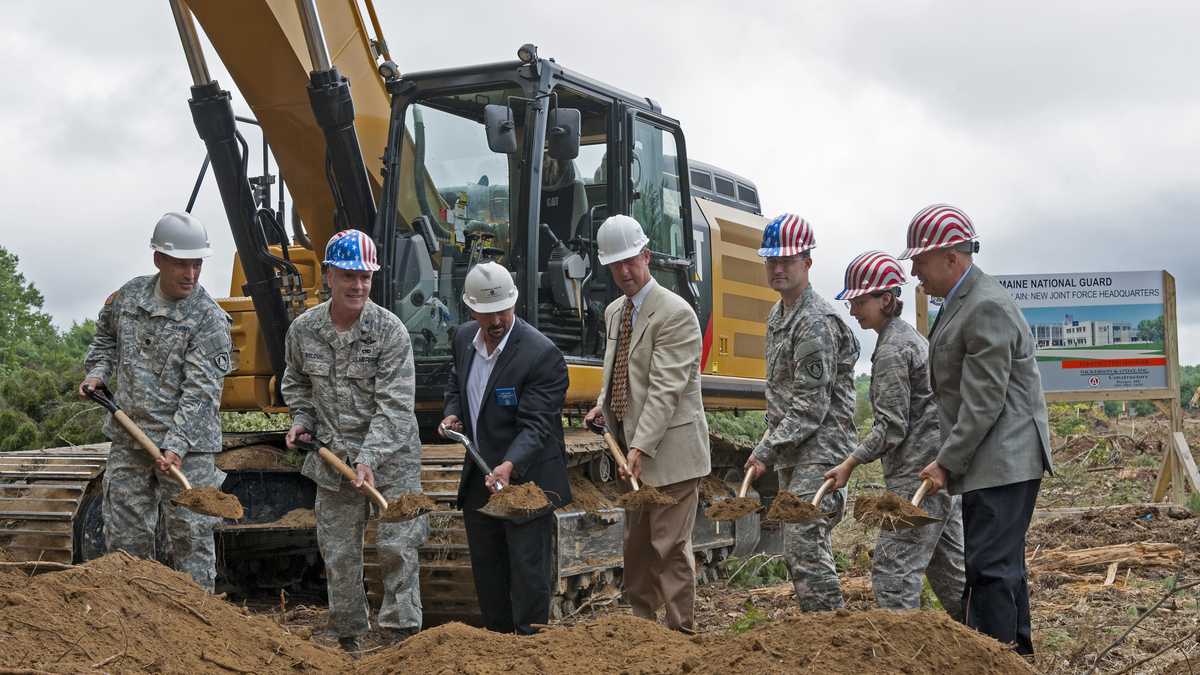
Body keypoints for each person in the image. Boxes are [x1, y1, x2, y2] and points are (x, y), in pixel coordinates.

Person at [899, 204, 1053, 655]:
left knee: (989, 569)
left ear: (952, 258)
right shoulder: (961, 302)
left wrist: (947, 462)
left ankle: (995, 658)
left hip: (1005, 459)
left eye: (920, 261)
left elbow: (984, 401)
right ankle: (1016, 657)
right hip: (993, 459)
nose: (914, 272)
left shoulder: (985, 306)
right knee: (999, 565)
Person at [281, 229, 427, 653]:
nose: (358, 285)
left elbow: (395, 407)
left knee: (399, 545)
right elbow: (296, 383)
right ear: (329, 276)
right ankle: (350, 638)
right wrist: (302, 420)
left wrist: (370, 459)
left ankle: (403, 638)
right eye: (349, 275)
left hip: (392, 459)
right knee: (339, 553)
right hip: (333, 459)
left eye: (366, 276)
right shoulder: (304, 331)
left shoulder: (390, 332)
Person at [80, 212, 232, 591]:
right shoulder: (128, 297)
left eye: (197, 264)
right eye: (182, 263)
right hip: (131, 440)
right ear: (158, 259)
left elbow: (201, 392)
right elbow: (105, 340)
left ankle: (198, 622)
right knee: (125, 542)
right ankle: (132, 623)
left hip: (188, 451)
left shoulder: (208, 319)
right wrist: (97, 371)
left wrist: (176, 446)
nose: (191, 274)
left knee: (191, 540)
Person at [583, 215, 711, 633]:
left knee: (670, 548)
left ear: (647, 256)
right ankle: (642, 634)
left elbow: (664, 390)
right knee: (636, 550)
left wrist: (638, 448)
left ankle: (680, 635)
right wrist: (604, 405)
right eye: (615, 265)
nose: (623, 272)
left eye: (630, 262)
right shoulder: (615, 312)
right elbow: (620, 371)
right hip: (630, 455)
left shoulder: (675, 314)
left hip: (670, 455)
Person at [823, 251, 966, 618]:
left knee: (892, 575)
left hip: (916, 480)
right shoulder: (911, 339)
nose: (853, 311)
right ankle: (988, 646)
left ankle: (906, 659)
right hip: (939, 473)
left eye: (859, 301)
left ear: (886, 299)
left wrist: (849, 463)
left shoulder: (891, 350)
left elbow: (890, 427)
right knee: (954, 578)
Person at [439, 261, 570, 635]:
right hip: (479, 477)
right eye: (486, 313)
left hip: (525, 483)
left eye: (503, 310)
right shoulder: (464, 339)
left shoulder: (541, 355)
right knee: (489, 572)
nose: (496, 320)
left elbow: (537, 425)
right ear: (472, 310)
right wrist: (452, 413)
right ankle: (496, 649)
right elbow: (456, 383)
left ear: (514, 302)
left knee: (528, 575)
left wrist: (510, 465)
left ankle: (530, 650)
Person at [743, 213, 859, 612]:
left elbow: (810, 407)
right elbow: (783, 398)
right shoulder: (779, 316)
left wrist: (765, 450)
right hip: (795, 447)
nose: (777, 268)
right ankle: (821, 627)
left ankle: (831, 631)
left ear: (807, 262)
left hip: (822, 447)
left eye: (786, 261)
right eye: (771, 261)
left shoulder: (813, 321)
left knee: (803, 537)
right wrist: (768, 445)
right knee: (798, 543)